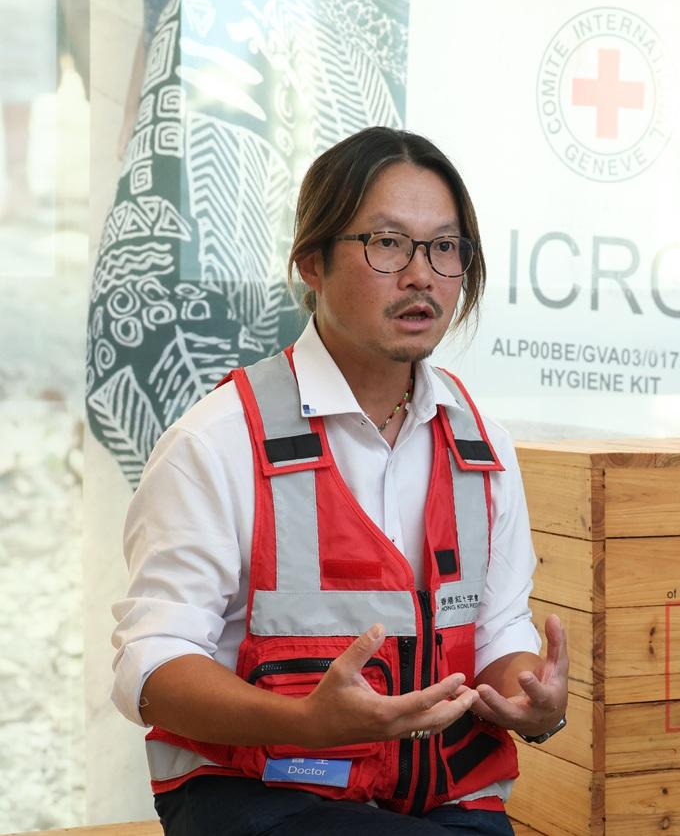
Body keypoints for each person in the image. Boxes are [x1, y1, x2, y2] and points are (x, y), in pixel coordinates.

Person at [111, 127, 569, 835]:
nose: (421, 275)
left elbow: (496, 630)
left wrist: (532, 698)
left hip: (444, 802)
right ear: (312, 263)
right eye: (388, 243)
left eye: (445, 248)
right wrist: (304, 721)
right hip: (260, 798)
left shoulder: (481, 446)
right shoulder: (217, 440)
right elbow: (152, 665)